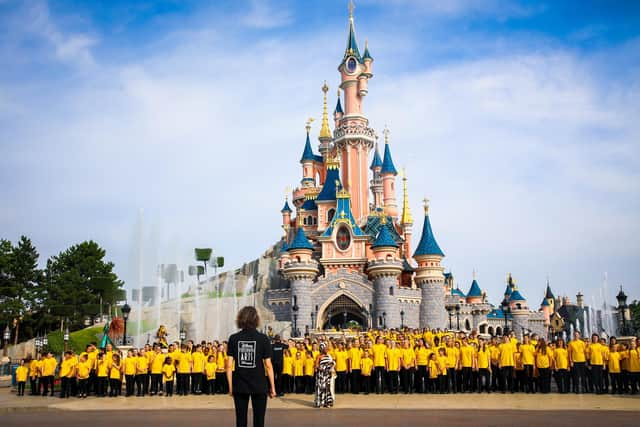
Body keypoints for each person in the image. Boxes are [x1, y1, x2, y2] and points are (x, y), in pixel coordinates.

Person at [226, 306, 276, 427]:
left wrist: (231, 387)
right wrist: (273, 388)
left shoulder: (234, 338)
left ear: (240, 319)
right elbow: (268, 365)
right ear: (256, 319)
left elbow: (228, 366)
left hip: (240, 384)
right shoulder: (263, 339)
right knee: (259, 420)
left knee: (240, 419)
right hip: (259, 384)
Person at [315, 342, 336, 408]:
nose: (326, 349)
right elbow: (316, 365)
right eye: (324, 348)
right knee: (321, 388)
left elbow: (333, 363)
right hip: (321, 375)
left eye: (326, 348)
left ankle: (328, 403)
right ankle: (320, 402)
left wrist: (331, 365)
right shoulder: (319, 356)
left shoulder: (329, 355)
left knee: (328, 388)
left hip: (328, 375)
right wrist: (320, 368)